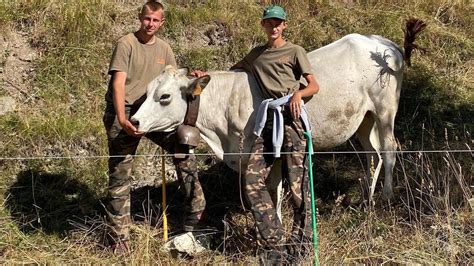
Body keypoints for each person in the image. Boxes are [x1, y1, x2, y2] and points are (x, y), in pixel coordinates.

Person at [103, 1, 206, 253]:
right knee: (120, 172)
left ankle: (196, 223)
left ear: (162, 23)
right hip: (128, 112)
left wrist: (194, 77)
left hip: (155, 111)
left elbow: (173, 80)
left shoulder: (164, 48)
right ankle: (119, 238)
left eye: (156, 20)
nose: (150, 24)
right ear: (141, 18)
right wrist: (121, 118)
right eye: (147, 19)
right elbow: (118, 83)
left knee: (184, 148)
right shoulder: (126, 43)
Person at [231, 5, 320, 263]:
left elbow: (314, 85)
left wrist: (298, 94)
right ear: (263, 25)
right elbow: (233, 70)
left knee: (298, 187)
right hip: (268, 122)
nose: (274, 27)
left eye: (278, 23)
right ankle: (274, 243)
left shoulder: (295, 51)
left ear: (285, 25)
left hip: (291, 120)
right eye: (269, 23)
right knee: (252, 180)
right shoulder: (256, 55)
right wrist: (205, 77)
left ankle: (301, 245)